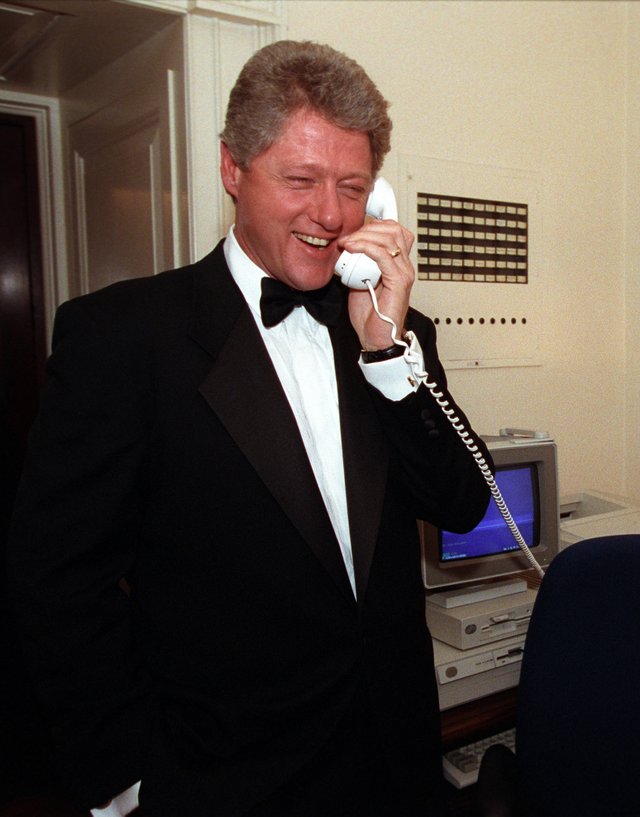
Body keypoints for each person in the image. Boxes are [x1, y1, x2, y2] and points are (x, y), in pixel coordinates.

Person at [7, 40, 491, 816]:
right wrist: (125, 778)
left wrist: (387, 354)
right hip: (222, 778)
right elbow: (56, 582)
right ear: (233, 169)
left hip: (393, 765)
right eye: (299, 180)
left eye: (352, 187)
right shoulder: (121, 338)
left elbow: (464, 503)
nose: (330, 215)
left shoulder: (396, 329)